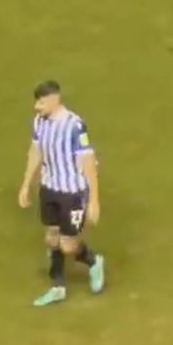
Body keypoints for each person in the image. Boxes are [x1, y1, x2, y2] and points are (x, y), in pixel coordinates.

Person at [18, 80, 106, 306]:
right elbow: (35, 152)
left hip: (72, 193)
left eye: (41, 101)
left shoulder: (75, 126)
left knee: (67, 245)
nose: (37, 107)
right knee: (51, 237)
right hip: (49, 188)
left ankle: (94, 261)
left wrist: (94, 201)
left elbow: (88, 163)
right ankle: (57, 286)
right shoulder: (39, 122)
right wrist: (26, 184)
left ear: (54, 99)